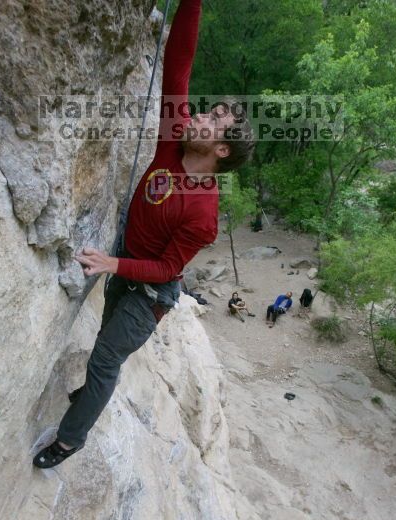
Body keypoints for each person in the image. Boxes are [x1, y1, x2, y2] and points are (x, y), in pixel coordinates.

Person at [33, 0, 255, 468]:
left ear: (221, 148)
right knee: (101, 355)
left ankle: (71, 440)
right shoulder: (172, 142)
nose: (199, 116)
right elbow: (179, 65)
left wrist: (113, 264)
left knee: (104, 360)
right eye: (208, 112)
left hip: (149, 295)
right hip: (128, 267)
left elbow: (170, 268)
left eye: (214, 122)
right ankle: (93, 392)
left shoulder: (203, 212)